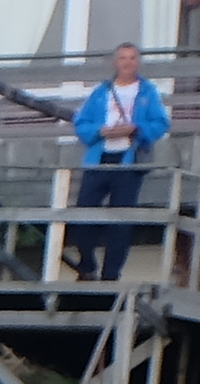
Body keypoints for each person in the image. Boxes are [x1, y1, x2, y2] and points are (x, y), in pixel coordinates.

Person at [64, 39, 164, 285]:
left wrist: (136, 129)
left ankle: (111, 276)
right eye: (123, 58)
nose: (127, 63)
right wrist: (101, 131)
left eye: (132, 58)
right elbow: (81, 123)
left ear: (138, 62)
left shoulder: (148, 92)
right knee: (83, 213)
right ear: (115, 62)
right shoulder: (101, 92)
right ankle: (87, 264)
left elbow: (160, 123)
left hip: (129, 162)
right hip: (99, 159)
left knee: (121, 221)